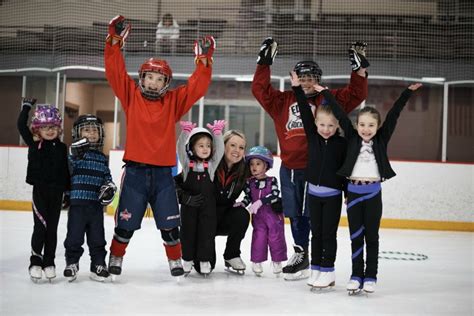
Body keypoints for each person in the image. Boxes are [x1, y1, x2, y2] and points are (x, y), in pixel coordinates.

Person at [104, 15, 215, 278]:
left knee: (169, 225)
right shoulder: (130, 96)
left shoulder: (174, 102)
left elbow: (197, 87)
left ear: (166, 84)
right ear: (141, 78)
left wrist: (204, 62)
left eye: (159, 79)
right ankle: (116, 255)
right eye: (149, 77)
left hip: (165, 176)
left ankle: (175, 261)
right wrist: (114, 42)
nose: (153, 82)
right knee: (125, 224)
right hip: (135, 174)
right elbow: (114, 71)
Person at [251, 38, 369, 280]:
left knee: (312, 215)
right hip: (289, 167)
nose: (306, 82)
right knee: (294, 214)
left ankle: (316, 258)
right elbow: (259, 90)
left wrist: (358, 70)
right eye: (302, 78)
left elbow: (356, 93)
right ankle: (301, 252)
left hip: (317, 169)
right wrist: (264, 64)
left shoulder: (327, 99)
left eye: (311, 77)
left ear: (318, 80)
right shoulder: (282, 101)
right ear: (296, 79)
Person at [325, 82, 423, 294]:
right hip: (353, 193)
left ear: (378, 127)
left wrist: (406, 93)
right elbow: (340, 114)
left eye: (371, 125)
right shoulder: (351, 138)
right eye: (362, 125)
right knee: (355, 237)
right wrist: (325, 93)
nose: (366, 129)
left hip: (372, 193)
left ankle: (370, 276)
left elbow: (394, 114)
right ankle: (355, 275)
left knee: (372, 237)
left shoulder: (381, 139)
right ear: (356, 125)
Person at [290, 71, 347, 288]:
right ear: (316, 125)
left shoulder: (342, 144)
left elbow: (346, 171)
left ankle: (328, 270)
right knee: (316, 234)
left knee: (328, 235)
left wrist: (348, 194)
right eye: (322, 125)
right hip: (313, 194)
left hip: (332, 197)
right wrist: (296, 88)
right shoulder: (312, 137)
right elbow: (305, 111)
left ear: (337, 126)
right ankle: (316, 268)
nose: (326, 129)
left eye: (331, 126)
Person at [176, 130, 250, 274]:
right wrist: (184, 197)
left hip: (223, 218)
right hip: (201, 218)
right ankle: (192, 256)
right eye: (233, 145)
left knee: (242, 215)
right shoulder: (209, 165)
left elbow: (259, 184)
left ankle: (232, 255)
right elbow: (177, 182)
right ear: (222, 146)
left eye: (241, 147)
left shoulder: (244, 171)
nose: (237, 150)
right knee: (204, 266)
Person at [17, 98, 70, 282]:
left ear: (59, 128)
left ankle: (49, 262)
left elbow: (65, 170)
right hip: (40, 191)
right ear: (37, 129)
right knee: (40, 227)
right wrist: (26, 107)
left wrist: (68, 192)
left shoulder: (62, 148)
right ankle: (35, 262)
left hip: (57, 193)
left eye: (53, 126)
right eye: (46, 127)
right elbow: (20, 125)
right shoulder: (34, 144)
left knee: (52, 230)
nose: (50, 130)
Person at [63, 115, 117, 282]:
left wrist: (109, 187)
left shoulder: (101, 158)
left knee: (97, 238)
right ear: (77, 133)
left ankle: (98, 265)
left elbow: (106, 177)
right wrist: (73, 156)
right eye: (87, 129)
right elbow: (67, 172)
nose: (92, 133)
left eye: (95, 130)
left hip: (95, 207)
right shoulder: (74, 155)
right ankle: (72, 263)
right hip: (77, 205)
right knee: (74, 237)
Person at [175, 120, 225, 276]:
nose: (205, 149)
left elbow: (220, 152)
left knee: (206, 233)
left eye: (208, 145)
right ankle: (187, 260)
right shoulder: (186, 164)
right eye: (201, 145)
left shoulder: (210, 166)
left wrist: (217, 134)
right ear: (192, 148)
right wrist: (185, 133)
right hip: (189, 207)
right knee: (187, 233)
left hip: (207, 208)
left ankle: (204, 260)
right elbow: (180, 149)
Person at [240, 146, 287, 276]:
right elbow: (248, 197)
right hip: (258, 217)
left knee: (276, 238)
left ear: (266, 165)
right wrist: (242, 204)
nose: (254, 167)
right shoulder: (249, 183)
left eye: (258, 164)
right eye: (252, 164)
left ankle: (277, 261)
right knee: (258, 238)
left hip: (273, 216)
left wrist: (260, 202)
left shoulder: (272, 181)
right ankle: (256, 262)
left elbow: (275, 194)